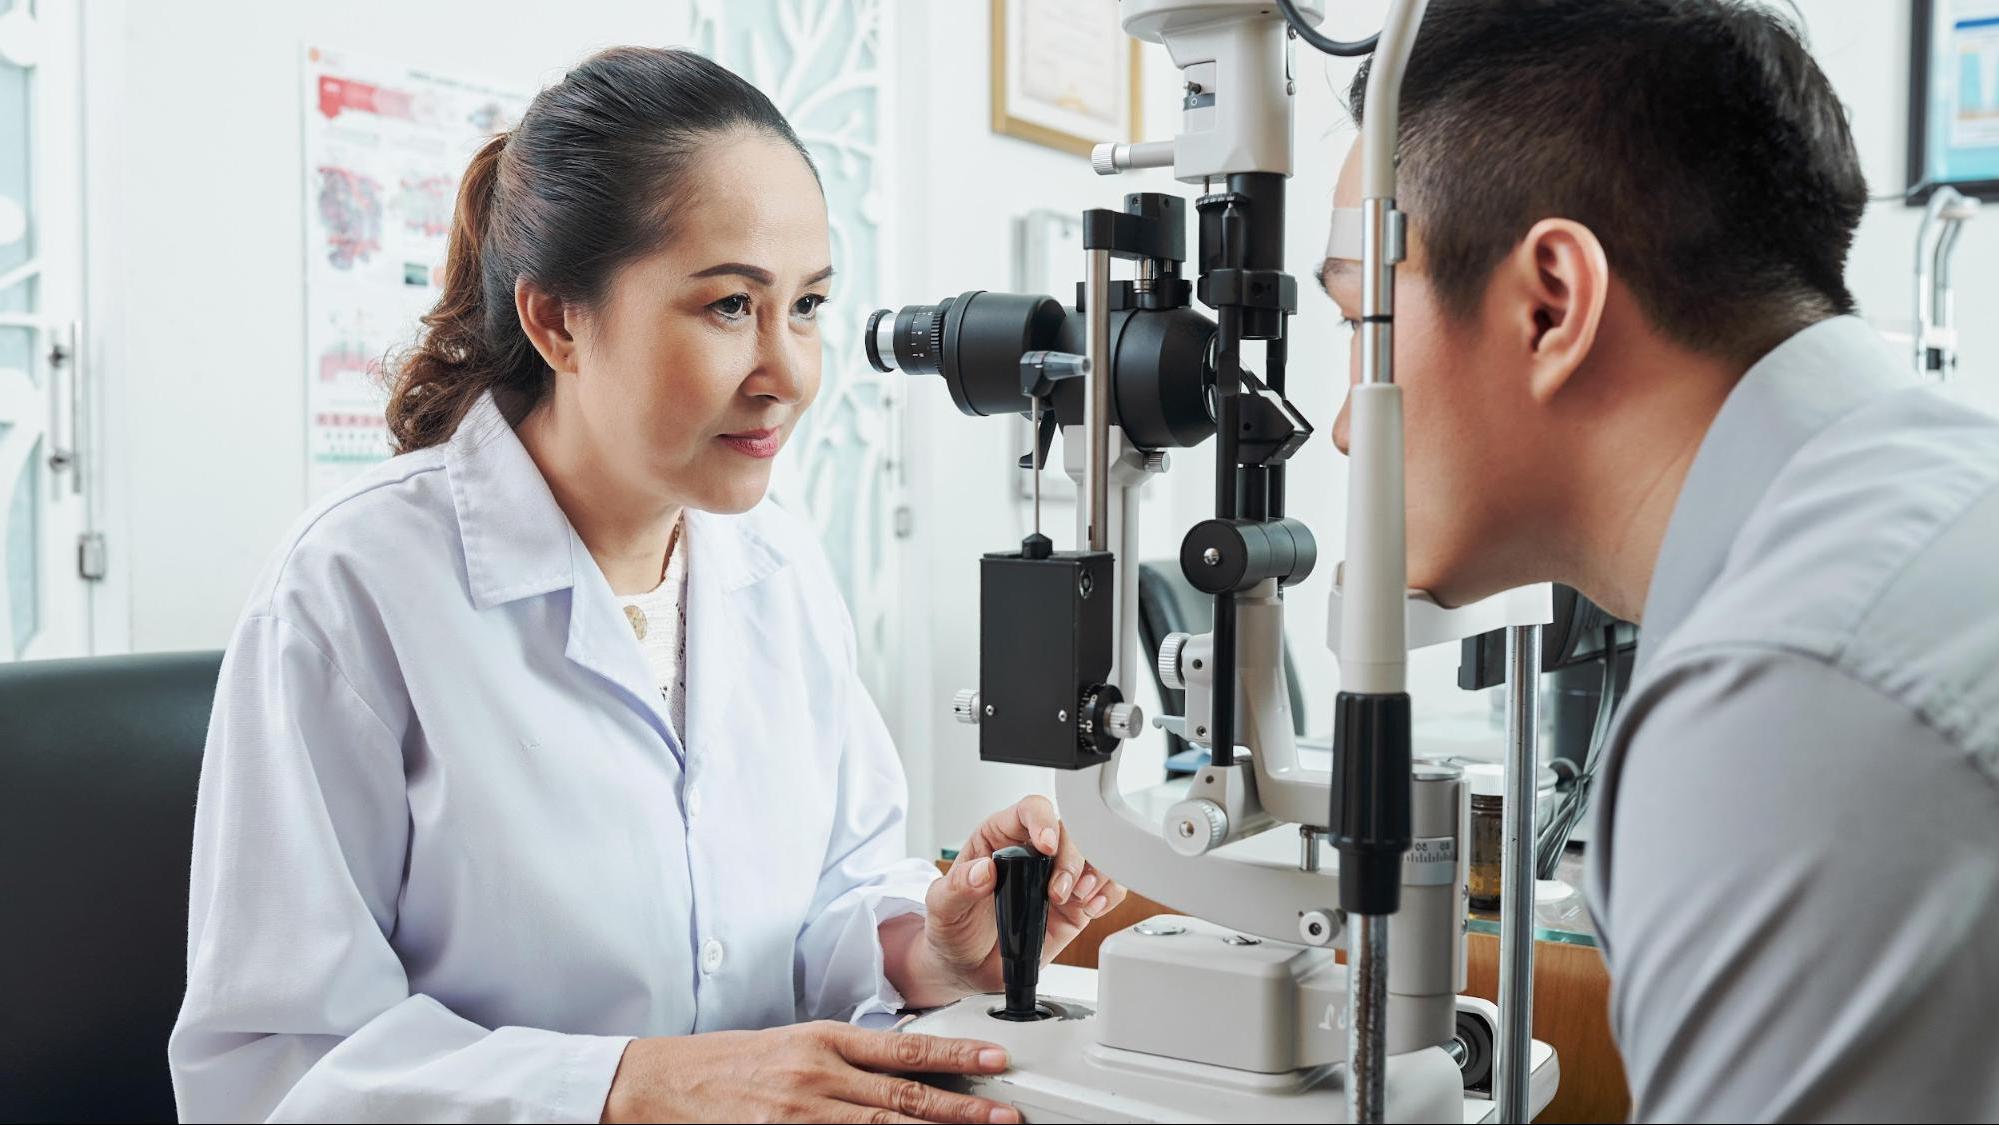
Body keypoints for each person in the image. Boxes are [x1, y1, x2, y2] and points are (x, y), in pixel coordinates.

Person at [170, 47, 1126, 1124]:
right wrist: (625, 1085)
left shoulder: (781, 570)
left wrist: (926, 946)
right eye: (729, 307)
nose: (789, 374)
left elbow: (818, 909)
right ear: (557, 321)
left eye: (806, 306)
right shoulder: (353, 588)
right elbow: (275, 1071)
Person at [1319, 1, 1999, 1119]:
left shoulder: (1788, 694)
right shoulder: (1913, 516)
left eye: (1364, 330)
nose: (1348, 426)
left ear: (1551, 304)